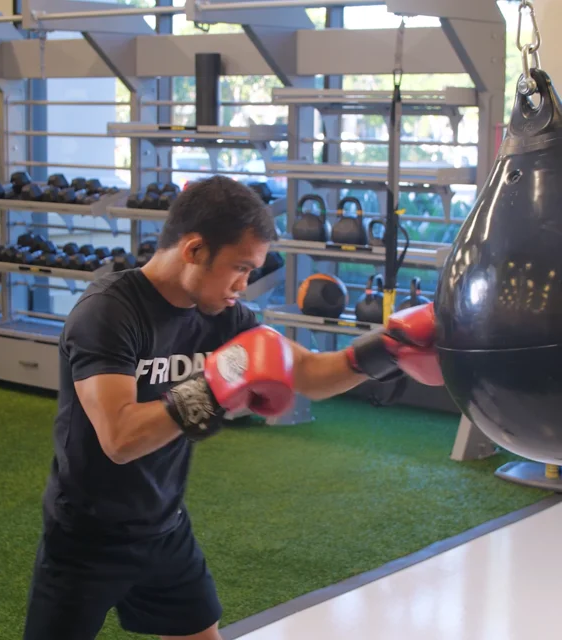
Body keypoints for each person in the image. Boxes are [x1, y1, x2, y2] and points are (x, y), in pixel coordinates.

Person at [23, 175, 443, 640]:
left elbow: (311, 373)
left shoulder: (223, 315)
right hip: (87, 537)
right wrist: (215, 387)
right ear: (195, 250)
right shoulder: (108, 313)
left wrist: (384, 350)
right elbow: (120, 439)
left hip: (165, 529)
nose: (244, 284)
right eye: (240, 268)